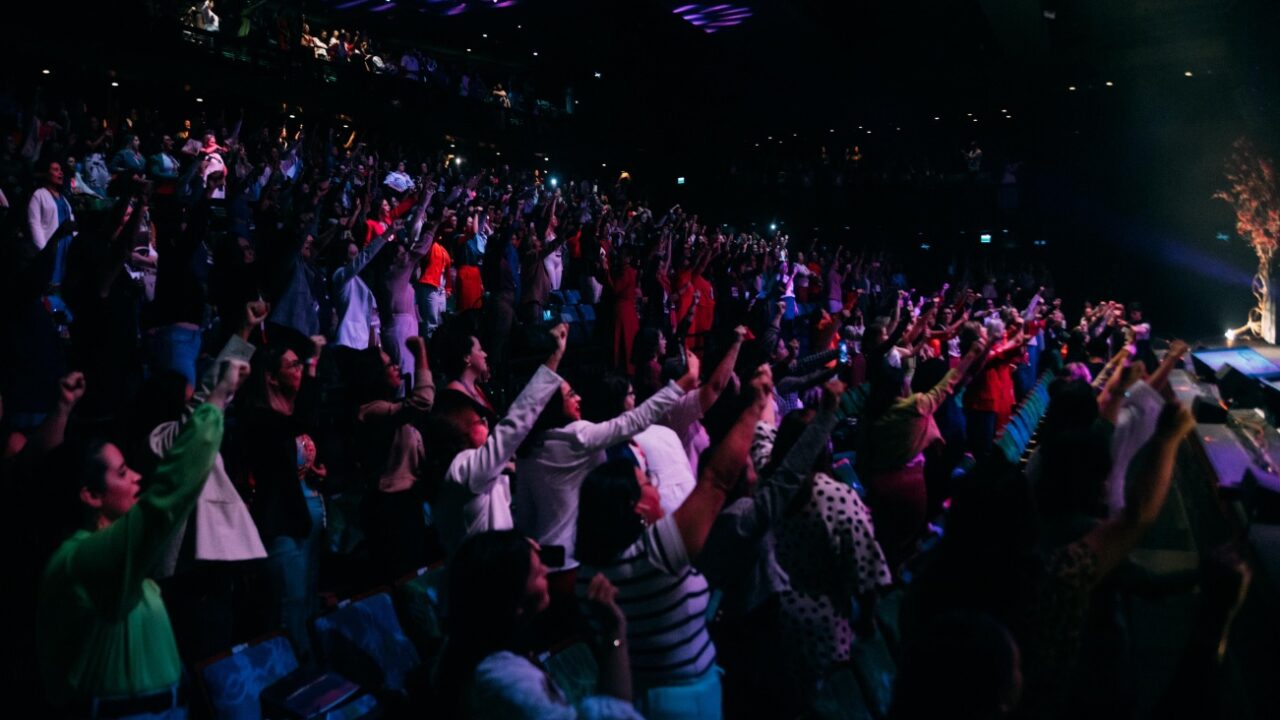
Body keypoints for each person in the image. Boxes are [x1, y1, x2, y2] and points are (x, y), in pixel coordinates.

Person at [38, 360, 246, 716]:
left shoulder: (114, 555)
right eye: (122, 472)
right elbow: (165, 499)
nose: (136, 476)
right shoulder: (80, 558)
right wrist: (217, 401)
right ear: (90, 495)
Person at [573, 365, 770, 719]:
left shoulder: (589, 575)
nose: (655, 485)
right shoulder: (655, 554)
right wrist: (755, 408)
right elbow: (717, 480)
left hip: (645, 696)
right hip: (684, 702)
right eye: (647, 481)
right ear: (635, 506)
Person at [433, 531, 641, 719]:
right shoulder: (508, 682)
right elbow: (615, 715)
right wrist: (615, 632)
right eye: (537, 573)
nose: (546, 569)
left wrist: (516, 550)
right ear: (513, 601)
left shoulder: (465, 644)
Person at [433, 325, 567, 556]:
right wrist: (554, 358)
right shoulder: (466, 472)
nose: (487, 425)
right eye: (479, 423)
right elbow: (512, 425)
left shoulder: (475, 472)